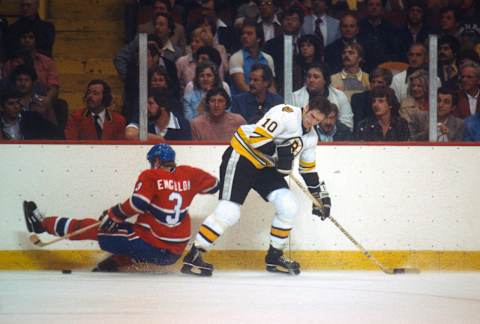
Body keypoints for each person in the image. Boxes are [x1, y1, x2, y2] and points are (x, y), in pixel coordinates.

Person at [181, 95, 334, 277]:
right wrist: (280, 153)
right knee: (229, 211)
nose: (312, 123)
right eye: (312, 117)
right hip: (243, 156)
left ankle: (274, 257)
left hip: (265, 166)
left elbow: (308, 170)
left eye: (318, 121)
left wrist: (319, 196)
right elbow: (257, 139)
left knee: (288, 204)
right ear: (306, 107)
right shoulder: (285, 113)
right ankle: (194, 255)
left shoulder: (311, 137)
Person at [23, 144, 219, 272]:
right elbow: (214, 186)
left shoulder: (151, 175)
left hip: (150, 244)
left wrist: (113, 214)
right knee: (129, 233)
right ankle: (112, 264)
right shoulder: (189, 174)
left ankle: (42, 225)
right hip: (173, 255)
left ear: (156, 161)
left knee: (97, 227)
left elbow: (138, 203)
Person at [292, 63, 353, 130]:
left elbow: (347, 124)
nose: (311, 80)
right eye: (309, 76)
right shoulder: (295, 97)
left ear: (325, 80)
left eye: (316, 77)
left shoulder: (339, 96)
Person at [230, 19, 275, 95]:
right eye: (243, 34)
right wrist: (261, 99)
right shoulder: (236, 58)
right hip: (243, 103)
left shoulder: (268, 58)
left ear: (258, 39)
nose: (244, 36)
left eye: (249, 34)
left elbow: (271, 86)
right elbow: (242, 87)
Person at [125, 89, 191, 141]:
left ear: (163, 106)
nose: (146, 107)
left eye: (150, 103)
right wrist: (158, 139)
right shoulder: (144, 118)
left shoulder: (182, 124)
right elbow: (130, 134)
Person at [357, 0, 399, 72]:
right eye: (371, 4)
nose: (374, 7)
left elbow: (396, 52)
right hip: (362, 69)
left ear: (382, 8)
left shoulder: (390, 28)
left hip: (385, 70)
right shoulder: (358, 26)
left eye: (378, 5)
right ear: (366, 7)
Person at [351, 67, 393, 132]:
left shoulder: (392, 99)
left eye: (380, 82)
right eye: (373, 82)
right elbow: (358, 125)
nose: (375, 85)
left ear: (388, 85)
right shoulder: (358, 99)